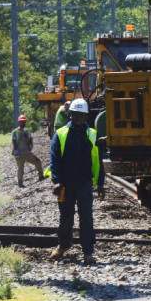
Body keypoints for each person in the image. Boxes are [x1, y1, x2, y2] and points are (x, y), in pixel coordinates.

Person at [49, 98, 105, 264]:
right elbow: (54, 159)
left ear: (86, 117)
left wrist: (100, 183)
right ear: (70, 115)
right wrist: (56, 181)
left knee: (86, 217)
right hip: (65, 184)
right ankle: (63, 246)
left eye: (82, 116)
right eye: (75, 115)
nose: (79, 119)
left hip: (85, 183)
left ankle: (88, 252)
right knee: (66, 216)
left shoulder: (93, 135)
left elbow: (99, 161)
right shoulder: (60, 134)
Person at [11, 115, 45, 187]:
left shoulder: (27, 131)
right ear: (18, 122)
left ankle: (41, 176)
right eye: (21, 122)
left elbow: (30, 139)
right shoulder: (15, 132)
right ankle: (20, 183)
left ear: (25, 122)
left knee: (37, 161)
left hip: (27, 152)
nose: (22, 123)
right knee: (20, 168)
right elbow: (14, 141)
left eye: (23, 122)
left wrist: (30, 146)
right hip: (19, 153)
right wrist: (16, 151)